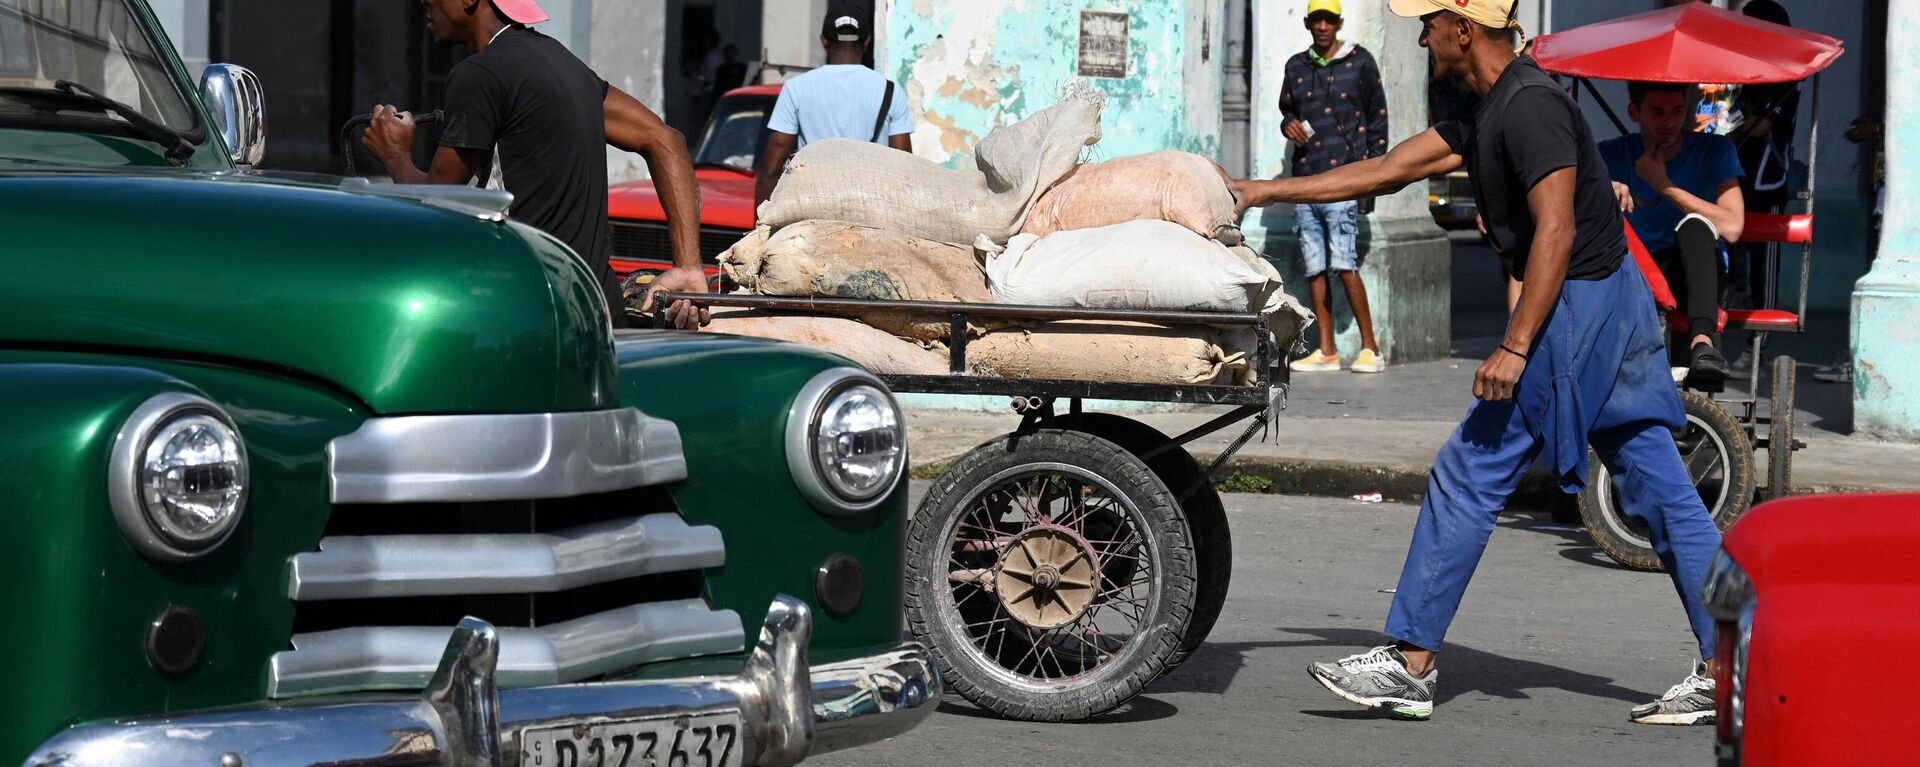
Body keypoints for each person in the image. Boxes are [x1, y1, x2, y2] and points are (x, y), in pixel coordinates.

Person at [1230, 0, 1724, 726]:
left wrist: (1516, 343)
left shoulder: (1530, 107)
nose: (1420, 33)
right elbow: (1386, 169)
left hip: (1577, 310)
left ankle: (1410, 661)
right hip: (1607, 304)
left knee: (1470, 468)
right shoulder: (1486, 109)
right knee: (1658, 481)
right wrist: (1261, 191)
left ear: (1465, 28)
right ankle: (1736, 660)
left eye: (1429, 21)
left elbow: (1554, 230)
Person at [362, 0, 708, 330]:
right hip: (596, 304)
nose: (425, 4)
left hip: (532, 310)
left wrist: (394, 154)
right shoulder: (565, 63)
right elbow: (667, 140)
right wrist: (690, 266)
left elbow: (437, 200)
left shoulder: (478, 74)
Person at [1596, 82, 1746, 388]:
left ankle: (1703, 345)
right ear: (1634, 112)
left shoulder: (1715, 150)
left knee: (1695, 224)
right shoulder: (1611, 154)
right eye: (1657, 112)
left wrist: (1663, 185)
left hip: (1697, 275)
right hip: (1635, 276)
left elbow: (1732, 226)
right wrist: (1602, 193)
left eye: (1677, 111)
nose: (1668, 122)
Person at [1278, 0, 1390, 374]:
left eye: (1329, 19)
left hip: (1345, 180)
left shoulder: (1360, 63)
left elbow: (1378, 120)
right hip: (1306, 180)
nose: (1322, 26)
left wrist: (1374, 177)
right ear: (1308, 23)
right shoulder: (1296, 66)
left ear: (1338, 23)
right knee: (1314, 267)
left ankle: (1371, 348)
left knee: (1344, 263)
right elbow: (1288, 111)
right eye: (1316, 20)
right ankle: (1326, 350)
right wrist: (1288, 125)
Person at [753, 4, 913, 212]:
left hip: (812, 208)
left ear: (824, 41)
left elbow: (772, 166)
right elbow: (905, 166)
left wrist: (760, 227)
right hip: (870, 210)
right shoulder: (891, 92)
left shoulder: (796, 88)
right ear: (866, 42)